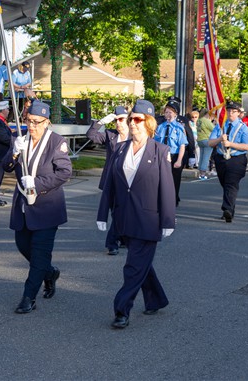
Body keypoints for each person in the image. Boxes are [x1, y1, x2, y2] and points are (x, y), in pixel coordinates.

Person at [97, 99, 176, 329]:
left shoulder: (160, 151)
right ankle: (156, 299)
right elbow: (110, 184)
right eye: (131, 119)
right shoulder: (120, 149)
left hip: (148, 220)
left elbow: (167, 188)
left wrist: (168, 220)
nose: (132, 123)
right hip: (124, 218)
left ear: (148, 123)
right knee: (141, 263)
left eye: (137, 119)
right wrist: (103, 214)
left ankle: (122, 309)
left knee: (133, 266)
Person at [3, 101, 72, 314]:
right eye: (29, 121)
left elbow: (64, 172)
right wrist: (14, 153)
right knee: (23, 245)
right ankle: (49, 273)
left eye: (37, 122)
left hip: (47, 206)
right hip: (23, 205)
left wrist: (38, 183)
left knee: (40, 254)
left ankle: (28, 297)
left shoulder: (56, 142)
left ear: (47, 122)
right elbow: (6, 166)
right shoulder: (20, 138)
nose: (32, 126)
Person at [86, 106, 129, 255]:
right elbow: (91, 135)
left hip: (128, 180)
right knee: (116, 211)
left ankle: (115, 241)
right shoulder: (110, 134)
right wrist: (100, 122)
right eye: (116, 120)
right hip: (111, 180)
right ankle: (119, 239)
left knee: (123, 211)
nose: (118, 123)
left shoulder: (135, 136)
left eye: (121, 119)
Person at [207, 101, 248, 223]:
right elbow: (210, 143)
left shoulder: (243, 128)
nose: (230, 113)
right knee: (225, 184)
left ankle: (227, 209)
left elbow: (247, 146)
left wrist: (231, 144)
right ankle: (230, 208)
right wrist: (219, 139)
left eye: (233, 111)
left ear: (238, 113)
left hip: (236, 160)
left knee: (230, 184)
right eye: (229, 111)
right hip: (221, 159)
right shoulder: (220, 126)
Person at [154, 101, 188, 205]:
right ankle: (162, 199)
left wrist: (179, 160)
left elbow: (182, 145)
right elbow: (155, 143)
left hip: (174, 155)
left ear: (175, 114)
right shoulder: (160, 127)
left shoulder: (179, 127)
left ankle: (173, 200)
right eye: (166, 112)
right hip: (162, 155)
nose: (168, 114)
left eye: (170, 112)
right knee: (161, 179)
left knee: (174, 180)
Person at [196, 109, 214, 180]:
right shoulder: (206, 121)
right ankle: (203, 174)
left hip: (200, 139)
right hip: (206, 139)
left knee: (201, 157)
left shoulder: (199, 120)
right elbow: (213, 129)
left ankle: (200, 172)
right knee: (206, 158)